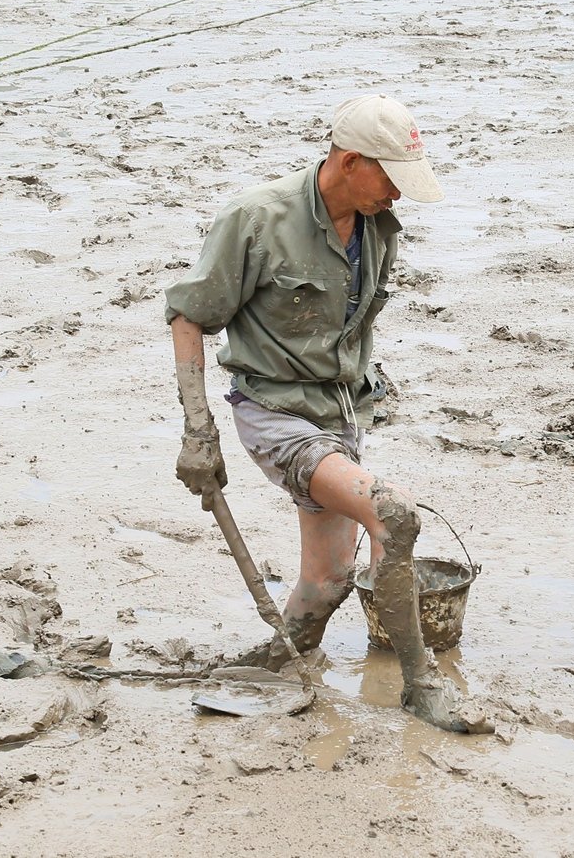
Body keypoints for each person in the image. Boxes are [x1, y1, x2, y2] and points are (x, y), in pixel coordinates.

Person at [165, 95, 491, 735]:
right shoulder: (256, 219)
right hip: (274, 413)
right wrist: (197, 432)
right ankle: (419, 686)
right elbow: (189, 317)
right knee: (393, 514)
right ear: (349, 162)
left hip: (340, 415)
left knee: (331, 577)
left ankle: (281, 661)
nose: (397, 196)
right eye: (391, 180)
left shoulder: (377, 228)